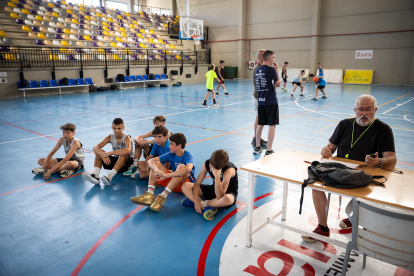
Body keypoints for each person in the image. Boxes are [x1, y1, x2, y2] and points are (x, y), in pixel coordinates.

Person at [301, 95, 397, 242]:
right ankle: (322, 227)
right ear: (355, 110)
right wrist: (326, 150)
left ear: (375, 110)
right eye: (360, 110)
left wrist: (379, 161)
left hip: (365, 173)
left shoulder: (383, 129)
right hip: (340, 170)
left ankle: (353, 218)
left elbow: (392, 159)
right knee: (316, 185)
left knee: (367, 191)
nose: (364, 113)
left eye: (368, 110)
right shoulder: (344, 124)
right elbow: (330, 147)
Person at [130, 133, 196, 212]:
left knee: (181, 167)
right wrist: (157, 170)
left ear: (179, 145)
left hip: (185, 184)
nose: (169, 146)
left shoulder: (188, 156)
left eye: (171, 144)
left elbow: (187, 169)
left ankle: (162, 197)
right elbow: (151, 160)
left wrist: (166, 175)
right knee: (156, 163)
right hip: (173, 183)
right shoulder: (171, 154)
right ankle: (150, 194)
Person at [180, 149, 238, 220]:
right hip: (214, 188)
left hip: (227, 193)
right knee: (185, 186)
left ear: (222, 166)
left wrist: (217, 176)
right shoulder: (207, 163)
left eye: (214, 168)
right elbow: (197, 184)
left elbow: (220, 196)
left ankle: (204, 204)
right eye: (211, 165)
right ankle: (203, 203)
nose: (211, 168)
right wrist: (196, 202)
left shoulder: (228, 170)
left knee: (227, 199)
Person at [82, 118, 133, 186]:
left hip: (127, 164)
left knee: (123, 154)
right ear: (112, 127)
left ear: (123, 128)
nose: (116, 130)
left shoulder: (127, 138)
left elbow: (128, 150)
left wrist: (110, 153)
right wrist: (103, 155)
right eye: (114, 128)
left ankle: (109, 177)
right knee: (99, 152)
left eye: (119, 128)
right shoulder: (110, 137)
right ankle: (96, 176)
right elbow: (95, 147)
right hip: (117, 163)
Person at [253, 50, 281, 156]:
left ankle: (257, 147)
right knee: (272, 125)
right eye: (273, 57)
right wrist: (277, 70)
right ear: (269, 59)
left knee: (260, 124)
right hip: (271, 101)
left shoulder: (257, 70)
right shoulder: (271, 70)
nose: (274, 59)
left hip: (261, 101)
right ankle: (269, 150)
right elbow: (278, 84)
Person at [251, 49, 268, 149]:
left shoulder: (262, 67)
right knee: (259, 118)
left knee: (260, 119)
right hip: (258, 97)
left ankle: (258, 138)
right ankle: (255, 139)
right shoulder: (258, 68)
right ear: (261, 56)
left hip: (261, 97)